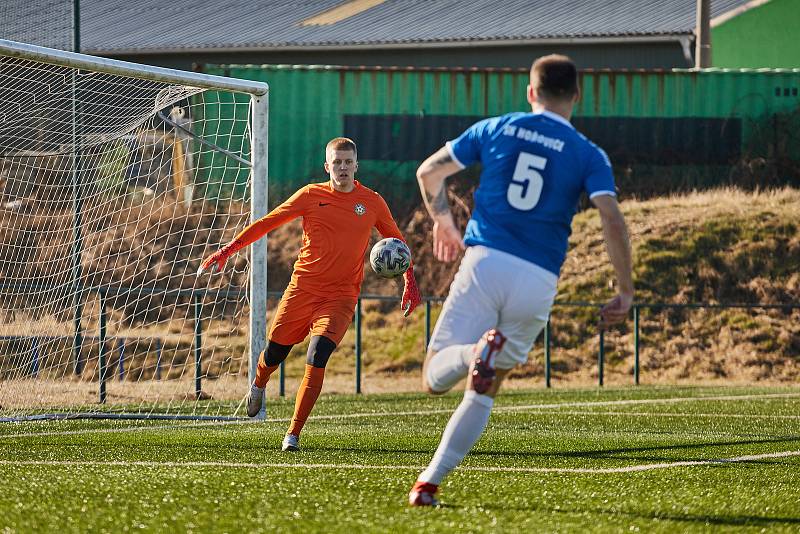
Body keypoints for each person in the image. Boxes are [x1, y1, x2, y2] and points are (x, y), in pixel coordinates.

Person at [408, 55, 634, 506]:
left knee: (434, 379)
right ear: (577, 96)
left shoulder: (496, 128)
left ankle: (473, 352)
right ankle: (428, 482)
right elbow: (612, 219)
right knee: (489, 384)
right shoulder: (589, 153)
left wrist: (444, 223)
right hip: (538, 280)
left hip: (485, 262)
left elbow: (428, 172)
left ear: (531, 92)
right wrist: (626, 289)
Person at [199, 137, 421, 451]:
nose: (342, 167)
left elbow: (398, 246)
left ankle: (292, 434)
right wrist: (229, 249)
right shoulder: (310, 195)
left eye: (348, 162)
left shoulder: (372, 202)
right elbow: (268, 222)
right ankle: (259, 383)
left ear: (356, 165)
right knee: (275, 354)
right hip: (302, 290)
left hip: (341, 297)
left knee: (317, 356)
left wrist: (409, 280)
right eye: (337, 162)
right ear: (327, 166)